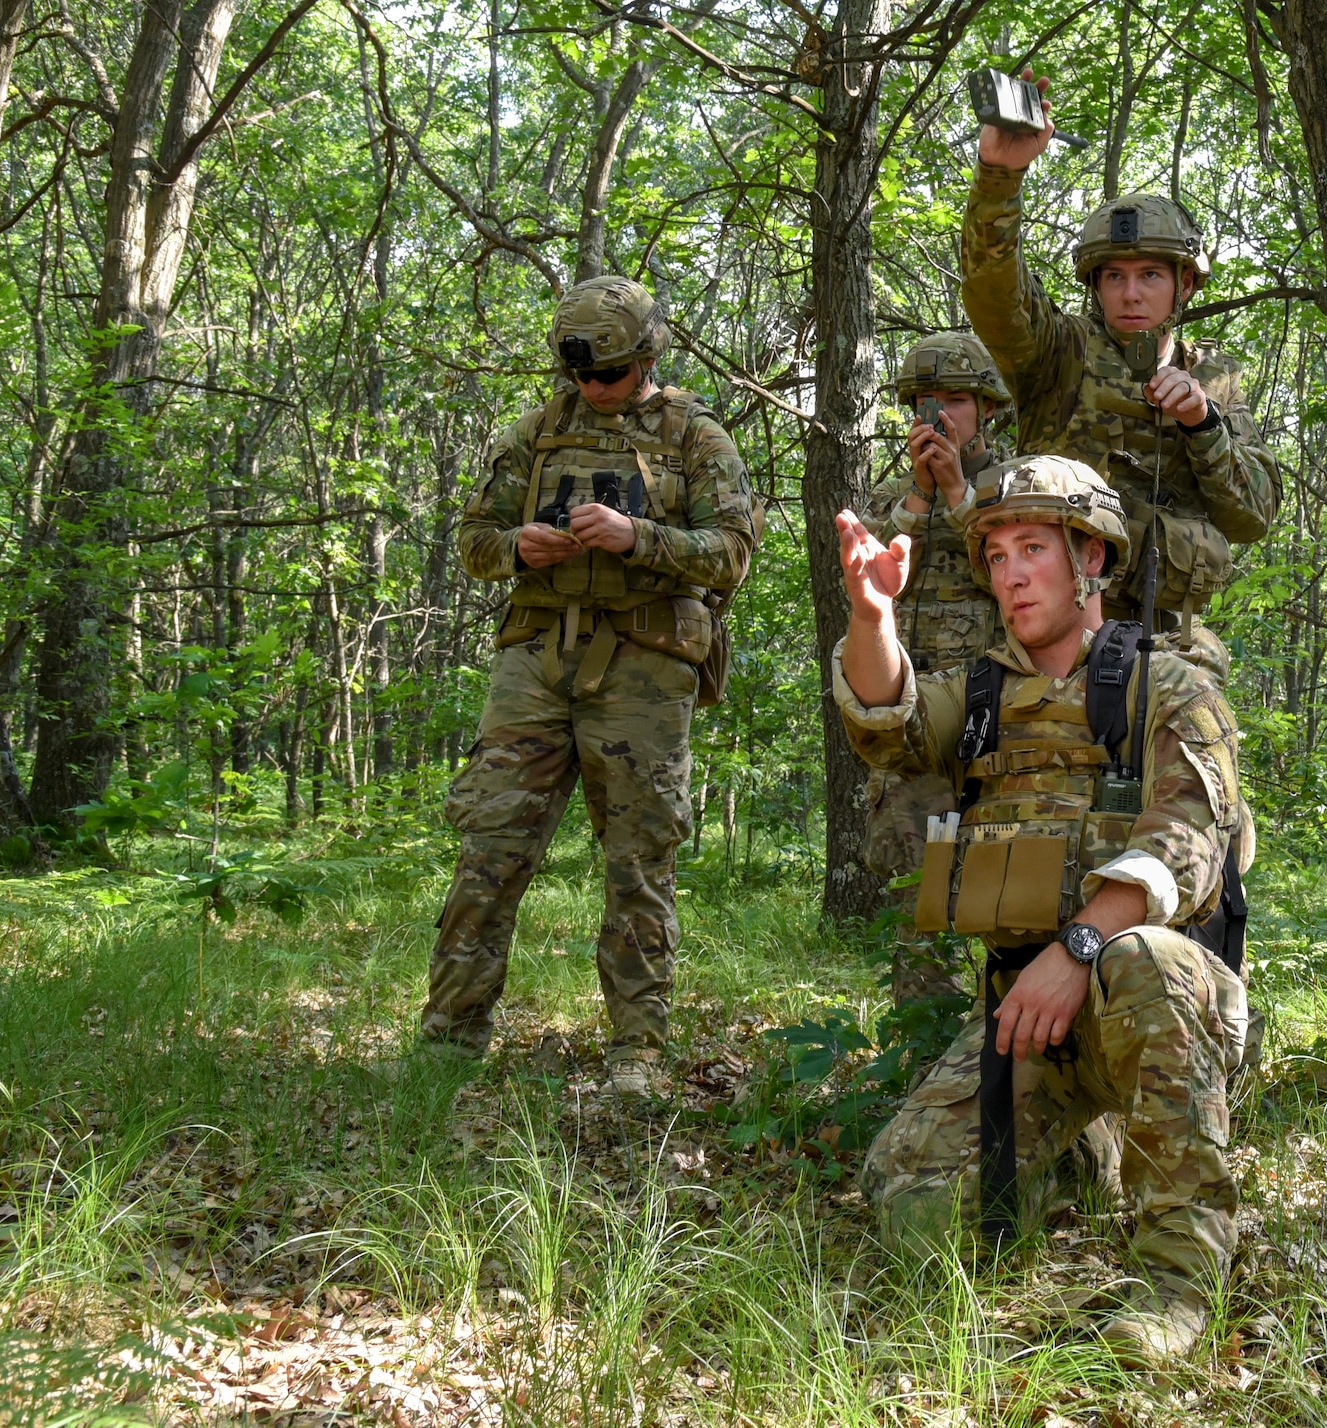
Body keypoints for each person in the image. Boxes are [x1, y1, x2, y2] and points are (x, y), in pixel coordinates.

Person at [833, 455, 1252, 1368]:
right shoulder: (982, 693)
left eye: (1034, 548)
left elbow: (1189, 840)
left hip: (1149, 1006)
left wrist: (1082, 943)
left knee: (1146, 958)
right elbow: (886, 722)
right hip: (1027, 1014)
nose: (1011, 572)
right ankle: (1079, 1156)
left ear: (1091, 559)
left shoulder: (1167, 687)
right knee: (911, 1205)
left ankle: (1177, 1282)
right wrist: (873, 616)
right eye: (995, 555)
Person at [422, 276, 759, 1096]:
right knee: (490, 848)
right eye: (580, 376)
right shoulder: (535, 434)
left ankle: (638, 1050)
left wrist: (636, 537)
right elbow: (473, 539)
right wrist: (518, 548)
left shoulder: (694, 435)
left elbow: (732, 552)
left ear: (647, 356)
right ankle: (448, 1037)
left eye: (606, 374)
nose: (591, 390)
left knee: (639, 860)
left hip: (643, 669)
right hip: (537, 659)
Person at [960, 68, 1283, 679]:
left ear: (1184, 283)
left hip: (1167, 650)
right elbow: (991, 292)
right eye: (1114, 276)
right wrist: (1000, 177)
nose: (1131, 294)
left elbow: (1251, 519)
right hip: (1053, 645)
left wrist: (1203, 422)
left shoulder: (1213, 381)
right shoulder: (1059, 352)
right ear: (1095, 284)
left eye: (1150, 275)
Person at [863, 333, 1010, 1006]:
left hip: (999, 712)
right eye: (929, 402)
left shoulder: (1018, 486)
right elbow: (866, 590)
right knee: (914, 889)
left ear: (986, 408)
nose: (942, 416)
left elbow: (1022, 577)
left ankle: (1004, 1039)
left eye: (958, 401)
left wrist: (957, 491)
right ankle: (924, 1048)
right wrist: (919, 500)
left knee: (1008, 879)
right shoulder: (888, 497)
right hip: (912, 720)